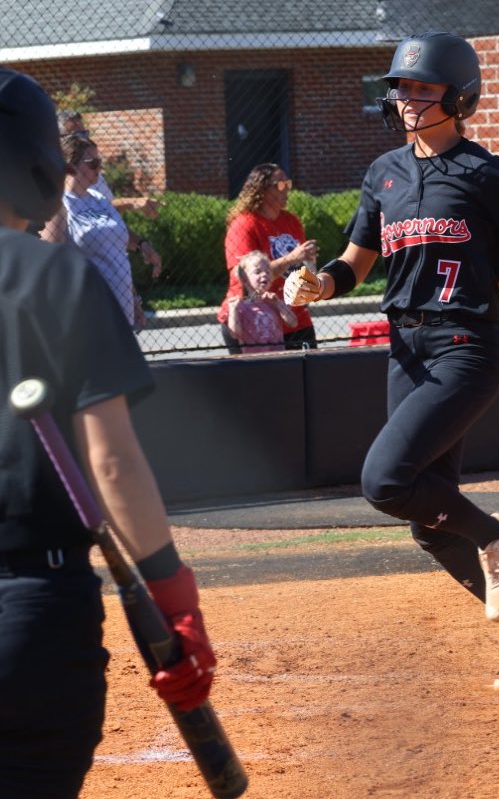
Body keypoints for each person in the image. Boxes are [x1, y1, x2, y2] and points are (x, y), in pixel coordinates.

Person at [284, 31, 499, 692]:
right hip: (404, 352)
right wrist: (317, 285)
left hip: (466, 348)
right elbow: (355, 263)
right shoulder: (382, 172)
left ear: (458, 96)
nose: (407, 98)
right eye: (401, 87)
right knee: (429, 527)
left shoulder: (485, 173)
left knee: (384, 480)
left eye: (422, 87)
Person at [0, 69, 217, 797]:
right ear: (34, 164)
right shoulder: (55, 278)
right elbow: (114, 464)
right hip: (31, 613)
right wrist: (175, 603)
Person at [42, 135, 143, 329]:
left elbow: (117, 252)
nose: (99, 168)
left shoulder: (99, 198)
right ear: (71, 166)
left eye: (100, 162)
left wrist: (134, 297)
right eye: (93, 163)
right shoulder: (59, 204)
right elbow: (52, 261)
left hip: (122, 305)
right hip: (88, 310)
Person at [217, 163, 319, 352]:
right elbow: (240, 276)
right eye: (280, 185)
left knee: (307, 376)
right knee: (260, 380)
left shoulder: (291, 221)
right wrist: (291, 258)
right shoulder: (244, 225)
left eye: (288, 183)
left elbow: (301, 267)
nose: (287, 189)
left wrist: (309, 266)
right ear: (262, 189)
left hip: (293, 316)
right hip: (253, 318)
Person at [227, 250, 298, 353]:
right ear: (244, 278)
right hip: (254, 361)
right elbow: (235, 333)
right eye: (257, 272)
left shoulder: (273, 302)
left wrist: (279, 305)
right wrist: (233, 310)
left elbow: (293, 323)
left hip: (278, 357)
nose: (264, 274)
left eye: (268, 271)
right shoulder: (241, 307)